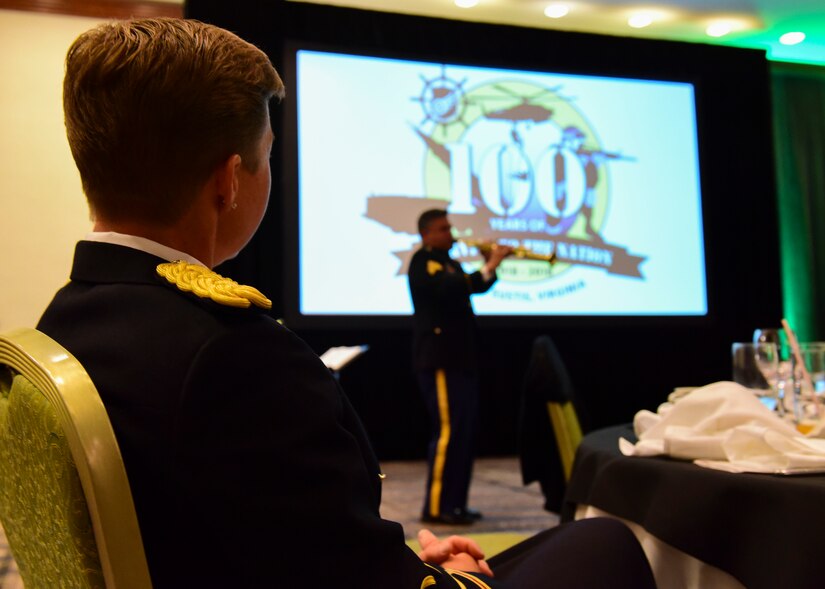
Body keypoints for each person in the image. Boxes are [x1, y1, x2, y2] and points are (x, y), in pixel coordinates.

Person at [37, 17, 656, 589]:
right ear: (228, 182)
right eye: (269, 154)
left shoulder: (65, 320)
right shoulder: (233, 355)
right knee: (607, 542)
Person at [408, 210, 512, 525]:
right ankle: (436, 507)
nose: (451, 234)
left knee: (463, 434)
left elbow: (475, 286)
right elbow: (451, 289)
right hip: (440, 359)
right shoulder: (424, 261)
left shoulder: (449, 261)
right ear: (426, 233)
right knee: (449, 434)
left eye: (450, 228)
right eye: (443, 229)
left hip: (460, 359)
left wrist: (492, 267)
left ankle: (455, 504)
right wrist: (490, 263)